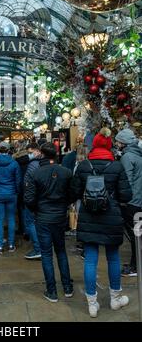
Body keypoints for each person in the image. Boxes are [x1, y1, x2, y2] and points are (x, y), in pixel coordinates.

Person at [72, 128, 132, 317]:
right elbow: (126, 194)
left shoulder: (83, 166)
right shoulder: (116, 166)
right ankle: (115, 299)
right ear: (109, 146)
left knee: (90, 260)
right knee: (113, 257)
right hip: (111, 217)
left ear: (94, 145)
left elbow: (73, 193)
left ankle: (92, 303)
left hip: (89, 217)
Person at [24, 142, 73, 303]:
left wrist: (37, 209)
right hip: (59, 217)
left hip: (43, 217)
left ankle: (52, 291)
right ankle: (67, 287)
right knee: (61, 251)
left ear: (42, 155)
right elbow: (72, 194)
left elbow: (29, 199)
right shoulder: (66, 172)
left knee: (46, 254)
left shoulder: (36, 173)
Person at [115, 128, 142, 277]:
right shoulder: (139, 155)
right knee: (138, 234)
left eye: (118, 141)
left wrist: (123, 200)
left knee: (134, 235)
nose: (116, 143)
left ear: (123, 142)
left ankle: (135, 266)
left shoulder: (127, 157)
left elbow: (127, 182)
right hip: (139, 201)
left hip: (131, 202)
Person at [23, 143, 42, 259]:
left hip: (33, 198)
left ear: (37, 151)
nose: (30, 155)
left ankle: (38, 248)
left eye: (31, 152)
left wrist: (27, 197)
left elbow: (27, 183)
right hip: (41, 197)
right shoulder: (43, 163)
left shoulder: (32, 165)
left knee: (30, 222)